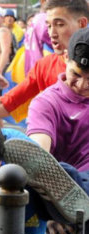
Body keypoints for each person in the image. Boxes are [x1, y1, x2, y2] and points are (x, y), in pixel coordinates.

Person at [27, 27, 89, 173]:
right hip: (69, 183)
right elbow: (39, 150)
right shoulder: (45, 104)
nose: (82, 85)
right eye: (76, 74)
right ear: (66, 57)